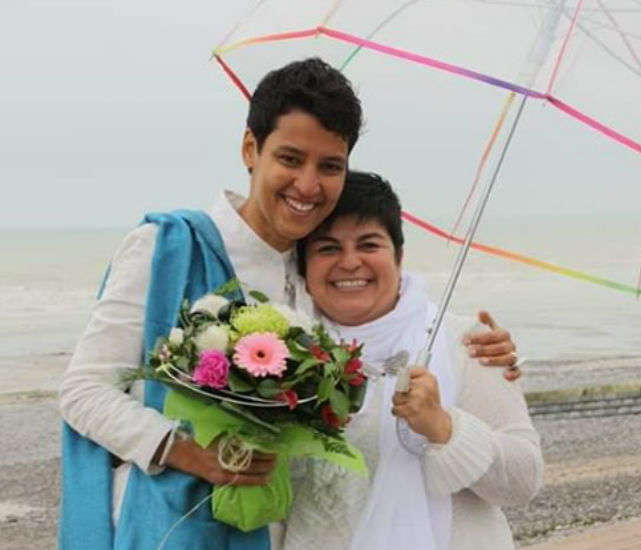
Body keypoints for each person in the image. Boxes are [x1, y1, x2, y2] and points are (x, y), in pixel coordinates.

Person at [58, 58, 521, 550]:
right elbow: (83, 390)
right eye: (290, 158)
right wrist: (189, 452)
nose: (307, 185)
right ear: (250, 149)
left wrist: (480, 350)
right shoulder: (169, 248)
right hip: (172, 527)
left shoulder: (315, 274)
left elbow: (384, 335)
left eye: (330, 167)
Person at [286, 171, 543, 550]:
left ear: (399, 256)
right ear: (304, 268)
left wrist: (444, 428)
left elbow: (524, 480)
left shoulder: (467, 343)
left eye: (369, 244)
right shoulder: (282, 354)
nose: (350, 262)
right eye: (327, 248)